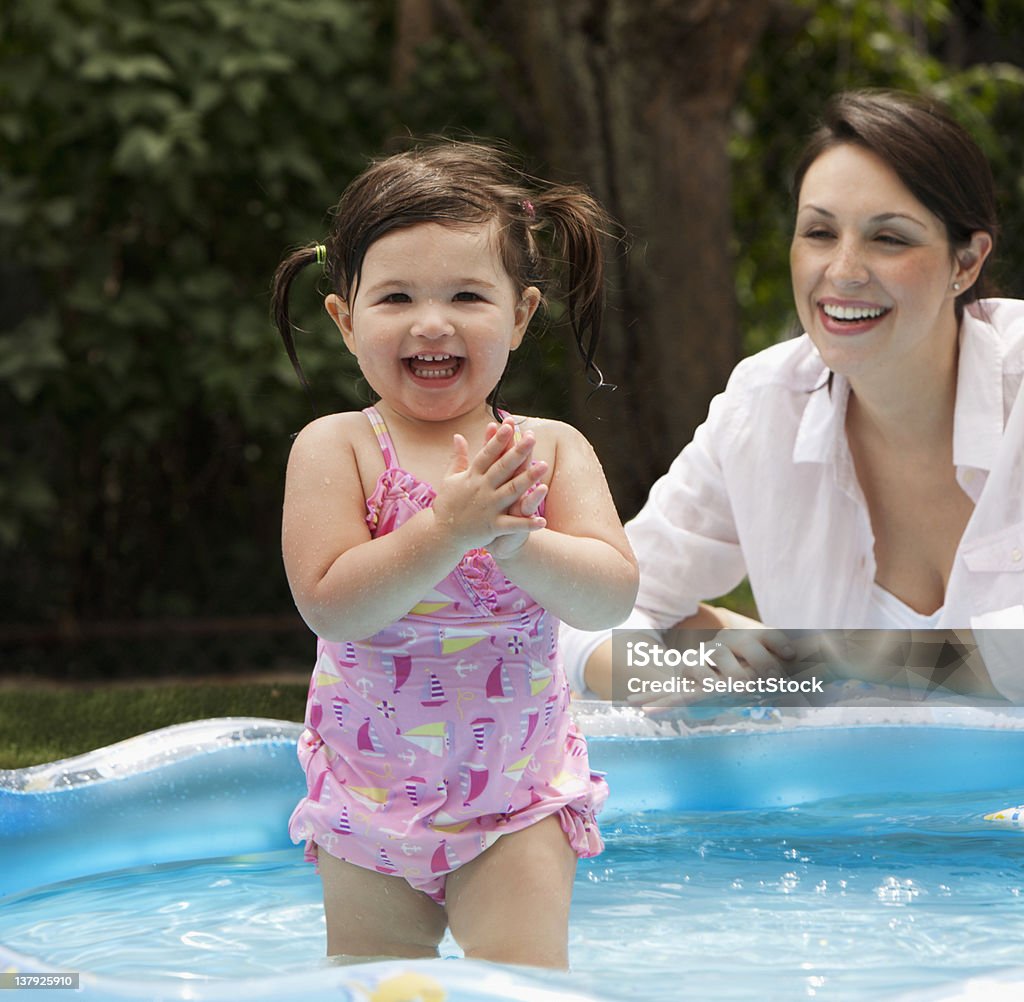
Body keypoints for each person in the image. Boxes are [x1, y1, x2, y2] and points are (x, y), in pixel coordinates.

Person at [271, 141, 638, 968]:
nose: (431, 322)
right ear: (345, 319)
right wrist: (446, 531)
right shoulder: (338, 449)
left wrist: (516, 538)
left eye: (468, 295)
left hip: (518, 798)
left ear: (519, 314)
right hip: (368, 803)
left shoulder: (550, 449)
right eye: (396, 295)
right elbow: (331, 603)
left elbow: (609, 597)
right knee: (372, 985)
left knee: (523, 984)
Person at [562, 89, 1023, 704]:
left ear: (965, 262)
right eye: (819, 232)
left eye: (890, 238)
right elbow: (597, 608)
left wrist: (842, 656)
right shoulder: (766, 404)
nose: (845, 270)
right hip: (854, 799)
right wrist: (681, 669)